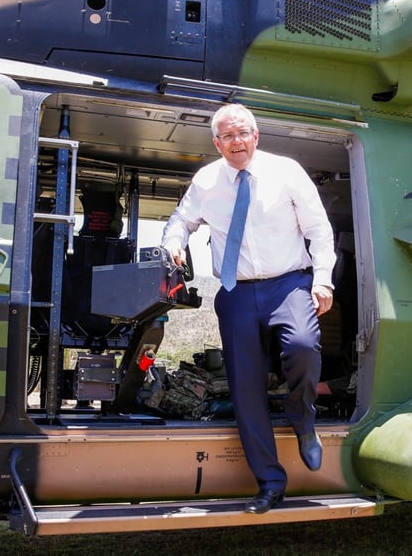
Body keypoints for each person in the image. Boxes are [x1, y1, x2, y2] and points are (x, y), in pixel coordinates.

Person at [162, 103, 336, 514]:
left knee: (303, 349)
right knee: (245, 387)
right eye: (227, 136)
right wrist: (173, 242)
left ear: (256, 136)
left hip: (289, 283)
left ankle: (302, 418)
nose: (236, 142)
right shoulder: (206, 181)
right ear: (216, 142)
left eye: (243, 133)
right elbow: (180, 222)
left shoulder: (286, 172)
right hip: (236, 292)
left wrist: (323, 278)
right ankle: (270, 483)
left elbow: (319, 230)